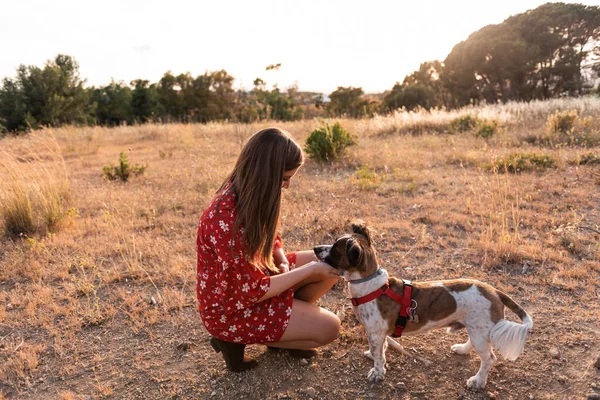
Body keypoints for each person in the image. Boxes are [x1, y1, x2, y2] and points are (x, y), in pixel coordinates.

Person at [196, 127, 341, 372]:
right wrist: (307, 271)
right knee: (331, 328)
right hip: (231, 309)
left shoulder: (248, 190)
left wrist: (281, 258)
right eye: (285, 178)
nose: (288, 186)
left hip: (258, 277)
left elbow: (269, 236)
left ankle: (283, 330)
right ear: (266, 174)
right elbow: (251, 291)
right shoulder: (224, 217)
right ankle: (234, 339)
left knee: (332, 262)